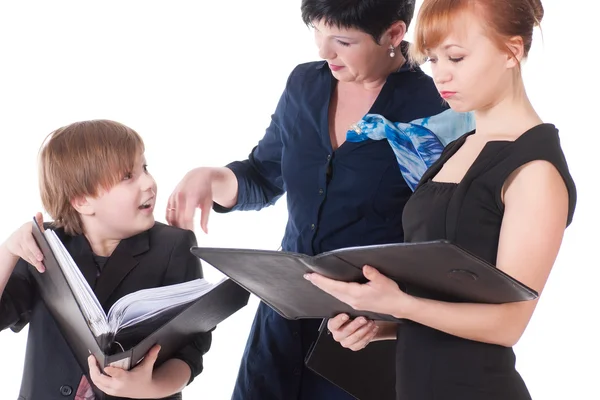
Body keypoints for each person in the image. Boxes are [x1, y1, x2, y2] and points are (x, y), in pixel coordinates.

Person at [166, 0, 473, 398]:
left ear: (394, 35)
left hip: (366, 332)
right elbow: (262, 174)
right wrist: (211, 178)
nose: (324, 52)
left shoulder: (440, 103)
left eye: (342, 40)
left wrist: (396, 318)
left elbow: (453, 237)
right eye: (317, 32)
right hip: (282, 317)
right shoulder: (304, 84)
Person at [304, 0, 577, 399]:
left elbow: (508, 325)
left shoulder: (535, 169)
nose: (441, 74)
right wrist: (380, 325)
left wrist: (400, 305)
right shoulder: (461, 145)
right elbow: (448, 302)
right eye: (432, 59)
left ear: (511, 51)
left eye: (457, 57)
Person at [0, 120, 211, 400]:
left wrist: (150, 387)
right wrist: (8, 250)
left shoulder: (174, 246)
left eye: (145, 168)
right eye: (128, 176)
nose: (149, 183)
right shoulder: (45, 246)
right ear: (82, 201)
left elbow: (191, 351)